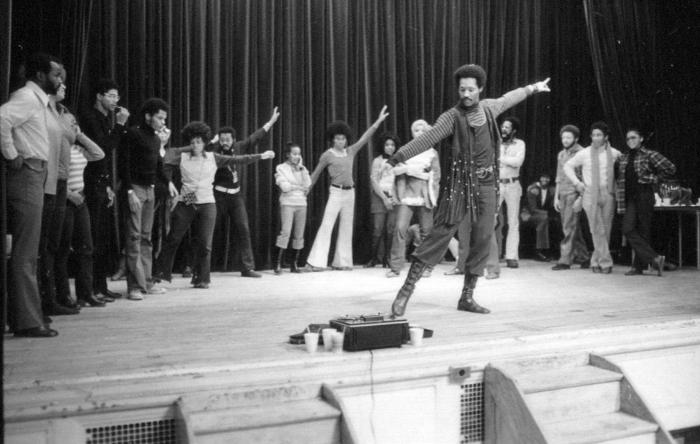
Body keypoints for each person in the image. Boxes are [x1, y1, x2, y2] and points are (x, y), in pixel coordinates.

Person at [388, 64, 550, 316]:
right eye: (462, 89)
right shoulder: (451, 117)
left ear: (480, 89)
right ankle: (405, 292)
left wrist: (534, 88)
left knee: (483, 238)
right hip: (460, 185)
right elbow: (425, 139)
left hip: (487, 186)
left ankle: (467, 297)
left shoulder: (488, 108)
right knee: (439, 234)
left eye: (471, 89)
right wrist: (397, 157)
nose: (466, 94)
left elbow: (510, 97)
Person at [154, 121, 275, 288]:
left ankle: (201, 278)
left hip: (208, 201)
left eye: (198, 141)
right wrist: (168, 181)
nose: (195, 145)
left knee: (205, 243)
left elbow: (239, 159)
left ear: (204, 142)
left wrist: (261, 156)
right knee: (174, 237)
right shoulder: (182, 156)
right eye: (192, 142)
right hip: (188, 199)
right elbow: (164, 160)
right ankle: (159, 273)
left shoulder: (213, 157)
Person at [1, 52, 64, 337]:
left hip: (35, 173)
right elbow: (1, 119)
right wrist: (12, 153)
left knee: (28, 251)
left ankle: (27, 315)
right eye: (55, 75)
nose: (59, 79)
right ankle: (27, 322)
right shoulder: (28, 97)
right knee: (25, 252)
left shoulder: (39, 101)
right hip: (27, 172)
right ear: (40, 75)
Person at [305, 106, 390, 271]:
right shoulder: (327, 155)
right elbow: (314, 175)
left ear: (346, 140)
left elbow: (365, 138)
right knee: (327, 225)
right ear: (332, 139)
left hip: (350, 193)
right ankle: (315, 262)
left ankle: (342, 262)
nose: (340, 141)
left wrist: (378, 122)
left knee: (346, 227)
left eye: (343, 139)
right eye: (337, 139)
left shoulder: (351, 151)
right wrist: (306, 189)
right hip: (336, 192)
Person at [208, 108, 280, 277]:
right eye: (223, 139)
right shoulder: (214, 152)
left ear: (233, 140)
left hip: (236, 196)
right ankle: (194, 266)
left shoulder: (239, 147)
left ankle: (247, 267)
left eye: (228, 139)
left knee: (243, 229)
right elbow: (201, 150)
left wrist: (270, 122)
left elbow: (255, 137)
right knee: (207, 229)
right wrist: (212, 141)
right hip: (218, 196)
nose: (225, 142)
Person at [54, 86, 106, 308]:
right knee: (63, 250)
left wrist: (79, 134)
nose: (74, 125)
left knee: (86, 247)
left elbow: (99, 153)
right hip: (64, 199)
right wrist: (68, 195)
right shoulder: (58, 146)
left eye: (75, 122)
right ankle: (64, 296)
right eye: (70, 123)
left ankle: (86, 293)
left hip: (81, 200)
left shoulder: (78, 148)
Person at [80, 79, 130, 300]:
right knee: (92, 239)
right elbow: (103, 149)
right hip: (90, 182)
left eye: (116, 96)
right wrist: (119, 125)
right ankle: (90, 289)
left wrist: (109, 185)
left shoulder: (103, 118)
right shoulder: (90, 117)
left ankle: (100, 286)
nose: (115, 100)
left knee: (102, 239)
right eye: (110, 95)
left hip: (102, 182)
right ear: (99, 96)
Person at [119, 98, 172, 300]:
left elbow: (158, 165)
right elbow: (123, 164)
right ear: (148, 116)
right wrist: (129, 192)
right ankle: (135, 286)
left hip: (149, 191)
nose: (162, 122)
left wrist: (169, 183)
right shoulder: (133, 133)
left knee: (146, 238)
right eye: (159, 117)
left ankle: (147, 282)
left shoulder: (156, 139)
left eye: (164, 118)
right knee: (133, 238)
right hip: (135, 189)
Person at [616, 128, 676, 276]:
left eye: (634, 138)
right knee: (628, 229)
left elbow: (670, 168)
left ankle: (638, 267)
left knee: (643, 231)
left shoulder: (649, 154)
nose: (631, 141)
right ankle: (655, 259)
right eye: (628, 138)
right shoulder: (623, 158)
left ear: (641, 138)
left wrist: (652, 179)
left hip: (644, 195)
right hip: (629, 198)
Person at [564, 121, 622, 274]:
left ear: (606, 137)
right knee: (597, 228)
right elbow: (567, 166)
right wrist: (577, 183)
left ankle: (595, 260)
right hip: (590, 193)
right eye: (593, 135)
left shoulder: (615, 153)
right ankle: (606, 262)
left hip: (609, 192)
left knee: (606, 229)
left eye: (599, 135)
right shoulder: (584, 153)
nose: (595, 138)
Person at [387, 120, 440, 278]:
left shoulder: (432, 153)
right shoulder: (406, 150)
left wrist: (414, 171)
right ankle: (396, 266)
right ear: (412, 132)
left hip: (425, 194)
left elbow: (436, 175)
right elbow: (395, 170)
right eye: (416, 130)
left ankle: (426, 266)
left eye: (422, 130)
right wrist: (411, 170)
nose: (419, 133)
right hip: (407, 194)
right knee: (400, 229)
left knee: (427, 232)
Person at [552, 125, 591, 270]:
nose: (565, 140)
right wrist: (556, 197)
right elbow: (558, 177)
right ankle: (584, 257)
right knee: (573, 227)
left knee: (569, 226)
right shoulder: (561, 154)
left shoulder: (581, 153)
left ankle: (565, 260)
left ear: (576, 138)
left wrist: (581, 196)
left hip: (574, 193)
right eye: (563, 137)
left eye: (568, 137)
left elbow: (584, 176)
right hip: (563, 192)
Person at [273, 142, 311, 274]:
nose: (296, 156)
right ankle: (277, 263)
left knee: (299, 234)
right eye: (294, 154)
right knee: (286, 232)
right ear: (288, 154)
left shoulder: (303, 169)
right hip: (287, 203)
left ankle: (293, 263)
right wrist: (298, 187)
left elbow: (308, 185)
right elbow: (285, 187)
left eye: (298, 154)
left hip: (302, 203)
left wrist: (300, 169)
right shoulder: (281, 168)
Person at [365, 132, 400, 268]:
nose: (390, 147)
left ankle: (388, 259)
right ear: (382, 146)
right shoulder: (377, 161)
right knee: (377, 229)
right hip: (380, 196)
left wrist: (394, 197)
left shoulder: (399, 160)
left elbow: (400, 181)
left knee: (391, 229)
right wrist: (385, 198)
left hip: (394, 198)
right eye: (387, 145)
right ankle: (374, 259)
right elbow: (374, 181)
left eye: (392, 145)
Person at [498, 116, 525, 268]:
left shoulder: (520, 143)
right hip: (497, 184)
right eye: (503, 126)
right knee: (491, 219)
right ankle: (488, 255)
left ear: (514, 130)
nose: (504, 129)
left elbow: (518, 162)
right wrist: (508, 159)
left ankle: (511, 256)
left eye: (507, 127)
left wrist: (500, 158)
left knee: (513, 221)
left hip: (513, 184)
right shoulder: (496, 142)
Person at [521, 173, 556, 261]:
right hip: (528, 214)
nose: (545, 179)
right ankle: (539, 251)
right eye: (543, 177)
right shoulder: (533, 189)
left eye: (547, 177)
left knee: (551, 220)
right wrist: (546, 213)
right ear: (539, 178)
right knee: (543, 219)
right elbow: (532, 209)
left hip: (542, 214)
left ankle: (551, 251)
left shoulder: (551, 190)